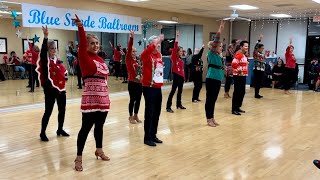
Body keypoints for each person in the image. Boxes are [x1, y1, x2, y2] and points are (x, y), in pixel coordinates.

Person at [73, 14, 111, 171]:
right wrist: (81, 27)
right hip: (90, 99)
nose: (96, 46)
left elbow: (105, 78)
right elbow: (82, 43)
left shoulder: (101, 59)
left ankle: (99, 149)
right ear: (86, 45)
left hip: (103, 99)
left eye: (97, 43)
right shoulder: (83, 56)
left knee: (100, 127)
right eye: (92, 43)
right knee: (85, 128)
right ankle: (78, 157)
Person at [36, 26, 69, 141]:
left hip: (61, 90)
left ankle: (60, 129)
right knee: (48, 111)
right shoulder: (45, 62)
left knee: (62, 110)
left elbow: (63, 73)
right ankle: (42, 133)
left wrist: (65, 77)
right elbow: (43, 52)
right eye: (51, 48)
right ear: (47, 50)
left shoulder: (58, 61)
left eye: (55, 48)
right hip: (50, 90)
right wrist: (45, 37)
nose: (54, 50)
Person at [140, 33, 164, 147]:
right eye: (156, 43)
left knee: (157, 112)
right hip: (148, 87)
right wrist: (157, 40)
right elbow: (145, 53)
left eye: (159, 43)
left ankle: (153, 134)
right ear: (150, 44)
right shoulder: (146, 54)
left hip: (157, 87)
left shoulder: (159, 54)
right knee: (149, 112)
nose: (158, 45)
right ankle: (147, 137)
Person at [205, 21, 225, 127]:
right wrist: (220, 29)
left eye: (221, 46)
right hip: (211, 79)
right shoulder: (211, 53)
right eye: (219, 46)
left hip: (217, 80)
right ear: (214, 47)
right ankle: (208, 119)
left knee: (214, 100)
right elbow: (216, 40)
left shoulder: (218, 56)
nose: (221, 47)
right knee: (210, 100)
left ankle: (212, 118)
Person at [166, 31, 186, 113]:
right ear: (177, 52)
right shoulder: (174, 57)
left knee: (180, 91)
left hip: (181, 77)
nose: (181, 52)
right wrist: (177, 38)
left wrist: (184, 78)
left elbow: (182, 70)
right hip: (176, 76)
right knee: (173, 91)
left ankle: (179, 104)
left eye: (182, 51)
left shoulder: (181, 60)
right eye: (180, 51)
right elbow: (175, 47)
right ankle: (168, 107)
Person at [126, 30, 143, 124]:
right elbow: (129, 48)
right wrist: (131, 38)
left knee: (139, 100)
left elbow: (140, 71)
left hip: (139, 83)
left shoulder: (137, 60)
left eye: (135, 51)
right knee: (132, 100)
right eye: (132, 51)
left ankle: (136, 115)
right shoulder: (128, 59)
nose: (134, 53)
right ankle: (130, 116)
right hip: (132, 82)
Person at [231, 40, 249, 115]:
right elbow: (234, 64)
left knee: (242, 92)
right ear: (241, 47)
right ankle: (234, 109)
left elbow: (240, 63)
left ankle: (238, 107)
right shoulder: (238, 54)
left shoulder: (243, 55)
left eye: (247, 46)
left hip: (243, 76)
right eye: (245, 46)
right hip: (238, 76)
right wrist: (240, 71)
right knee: (237, 92)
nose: (247, 47)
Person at [252, 35, 265, 99]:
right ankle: (256, 94)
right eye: (262, 48)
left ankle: (258, 93)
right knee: (257, 82)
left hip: (262, 69)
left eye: (263, 48)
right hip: (257, 69)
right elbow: (255, 47)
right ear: (259, 48)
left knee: (260, 82)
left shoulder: (263, 54)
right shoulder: (255, 53)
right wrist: (259, 40)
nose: (263, 49)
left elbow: (264, 61)